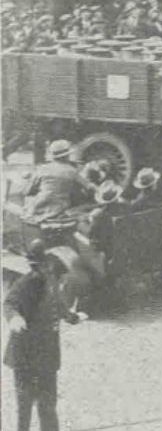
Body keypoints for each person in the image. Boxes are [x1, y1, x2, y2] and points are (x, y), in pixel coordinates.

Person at [4, 239, 81, 431]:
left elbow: (59, 306)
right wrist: (15, 318)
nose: (43, 269)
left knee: (48, 403)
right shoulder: (27, 282)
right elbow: (10, 303)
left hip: (47, 353)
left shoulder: (52, 282)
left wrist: (73, 317)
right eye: (37, 265)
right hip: (25, 352)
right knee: (25, 404)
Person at [22, 140, 91, 222]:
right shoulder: (72, 171)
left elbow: (27, 191)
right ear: (66, 156)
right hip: (60, 210)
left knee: (29, 199)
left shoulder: (42, 169)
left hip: (39, 208)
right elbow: (88, 187)